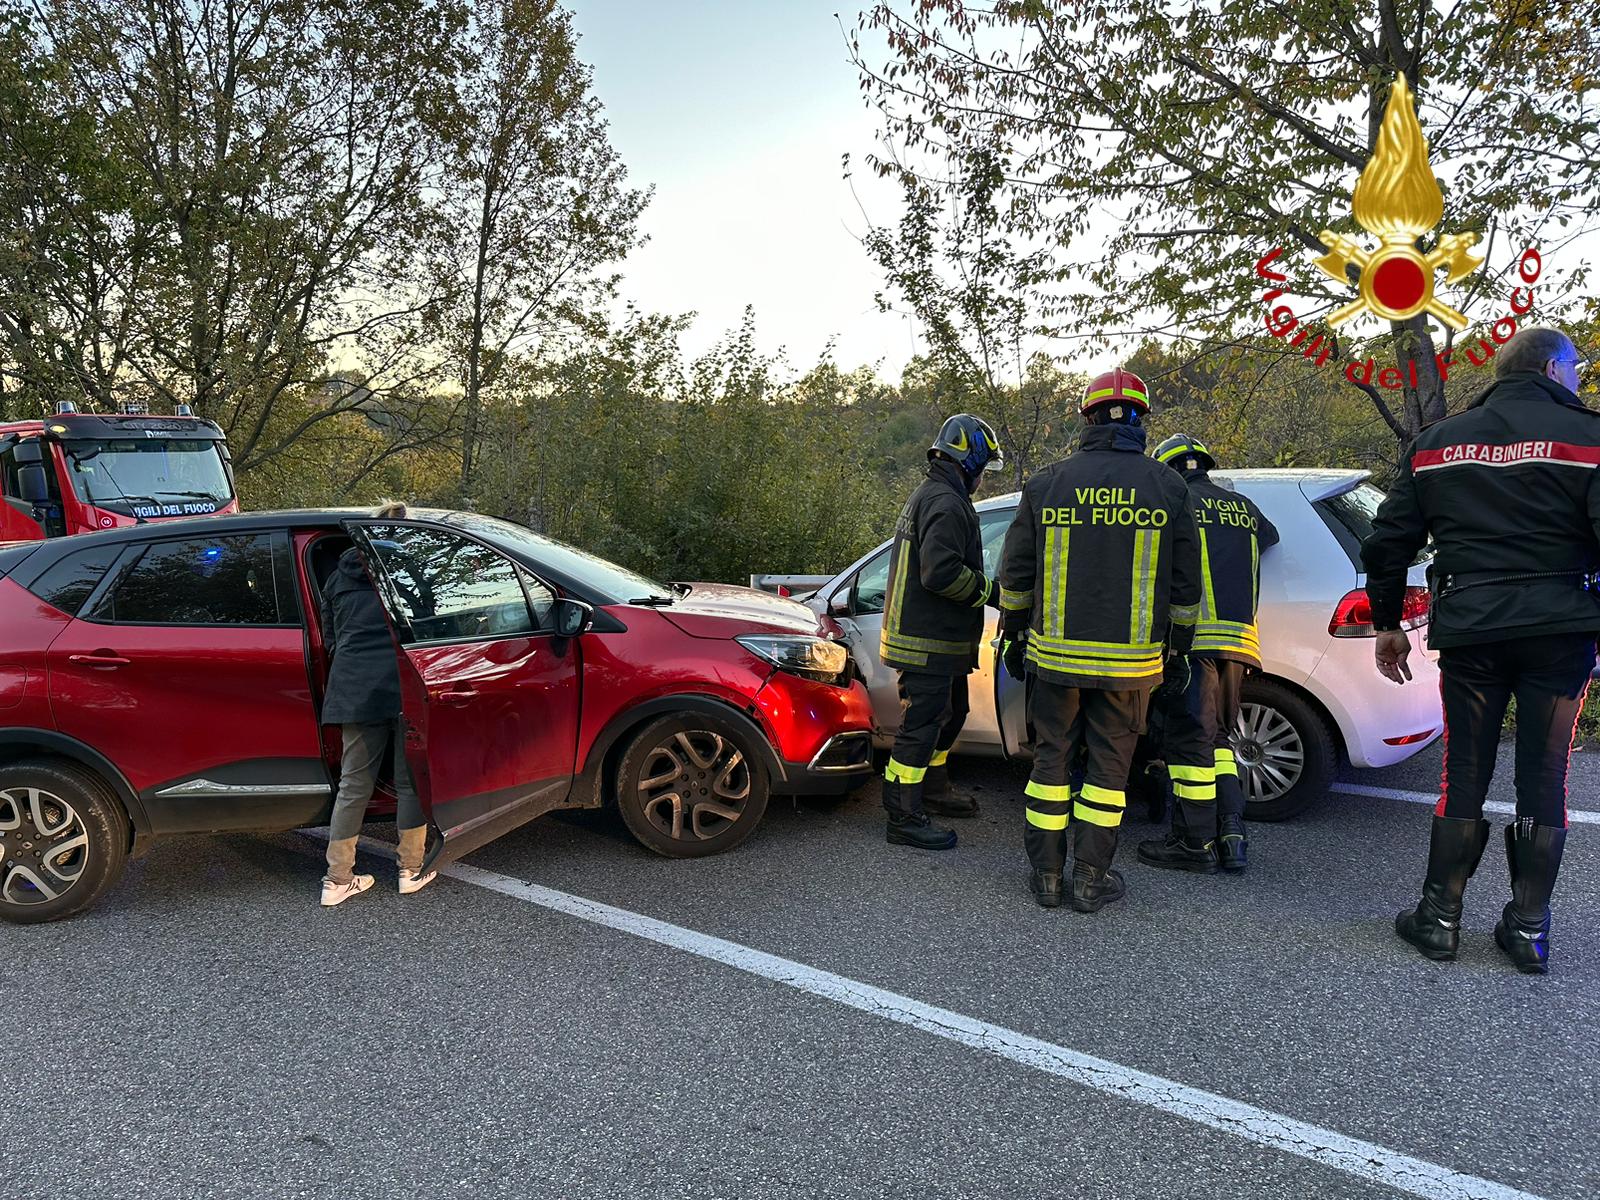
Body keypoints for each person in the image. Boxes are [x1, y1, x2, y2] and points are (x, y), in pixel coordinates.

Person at [1365, 327, 1597, 974]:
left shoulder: (1439, 443)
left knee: (1463, 771)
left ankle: (1438, 920)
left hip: (1471, 626)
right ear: (1553, 367)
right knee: (1544, 775)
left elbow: (1388, 543)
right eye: (1577, 367)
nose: (1579, 378)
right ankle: (1528, 931)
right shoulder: (1590, 439)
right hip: (1561, 631)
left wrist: (1387, 622)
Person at [998, 368, 1201, 911]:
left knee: (1050, 764)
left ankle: (1045, 877)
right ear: (1141, 420)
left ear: (1087, 418)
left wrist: (1013, 636)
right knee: (1110, 772)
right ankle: (1090, 880)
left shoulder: (1047, 483)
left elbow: (1015, 576)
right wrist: (1179, 648)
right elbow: (1186, 586)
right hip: (1130, 669)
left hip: (1054, 663)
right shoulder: (1169, 486)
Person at [1138, 434, 1279, 875]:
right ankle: (1232, 834)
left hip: (1193, 641)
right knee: (1220, 739)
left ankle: (1193, 843)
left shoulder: (1177, 505)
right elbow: (1269, 539)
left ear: (1170, 469)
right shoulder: (1244, 508)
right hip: (1238, 643)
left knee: (1189, 742)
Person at [879, 413, 1005, 849]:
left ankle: (933, 788)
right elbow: (940, 574)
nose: (983, 479)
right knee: (922, 725)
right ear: (967, 461)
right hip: (926, 642)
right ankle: (903, 814)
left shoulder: (935, 494)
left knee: (950, 716)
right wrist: (993, 593)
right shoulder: (946, 503)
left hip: (939, 641)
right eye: (984, 469)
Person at [318, 501, 436, 906]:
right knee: (409, 782)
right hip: (403, 686)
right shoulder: (405, 572)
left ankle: (336, 879)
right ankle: (410, 869)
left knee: (353, 785)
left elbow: (330, 637)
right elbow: (428, 623)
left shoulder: (337, 576)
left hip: (353, 687)